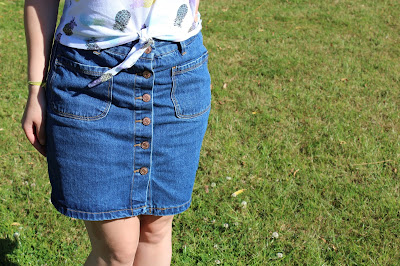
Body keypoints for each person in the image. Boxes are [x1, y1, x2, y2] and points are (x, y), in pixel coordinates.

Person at [21, 0, 211, 265]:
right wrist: (35, 88)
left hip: (176, 72)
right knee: (116, 248)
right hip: (87, 76)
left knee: (155, 230)